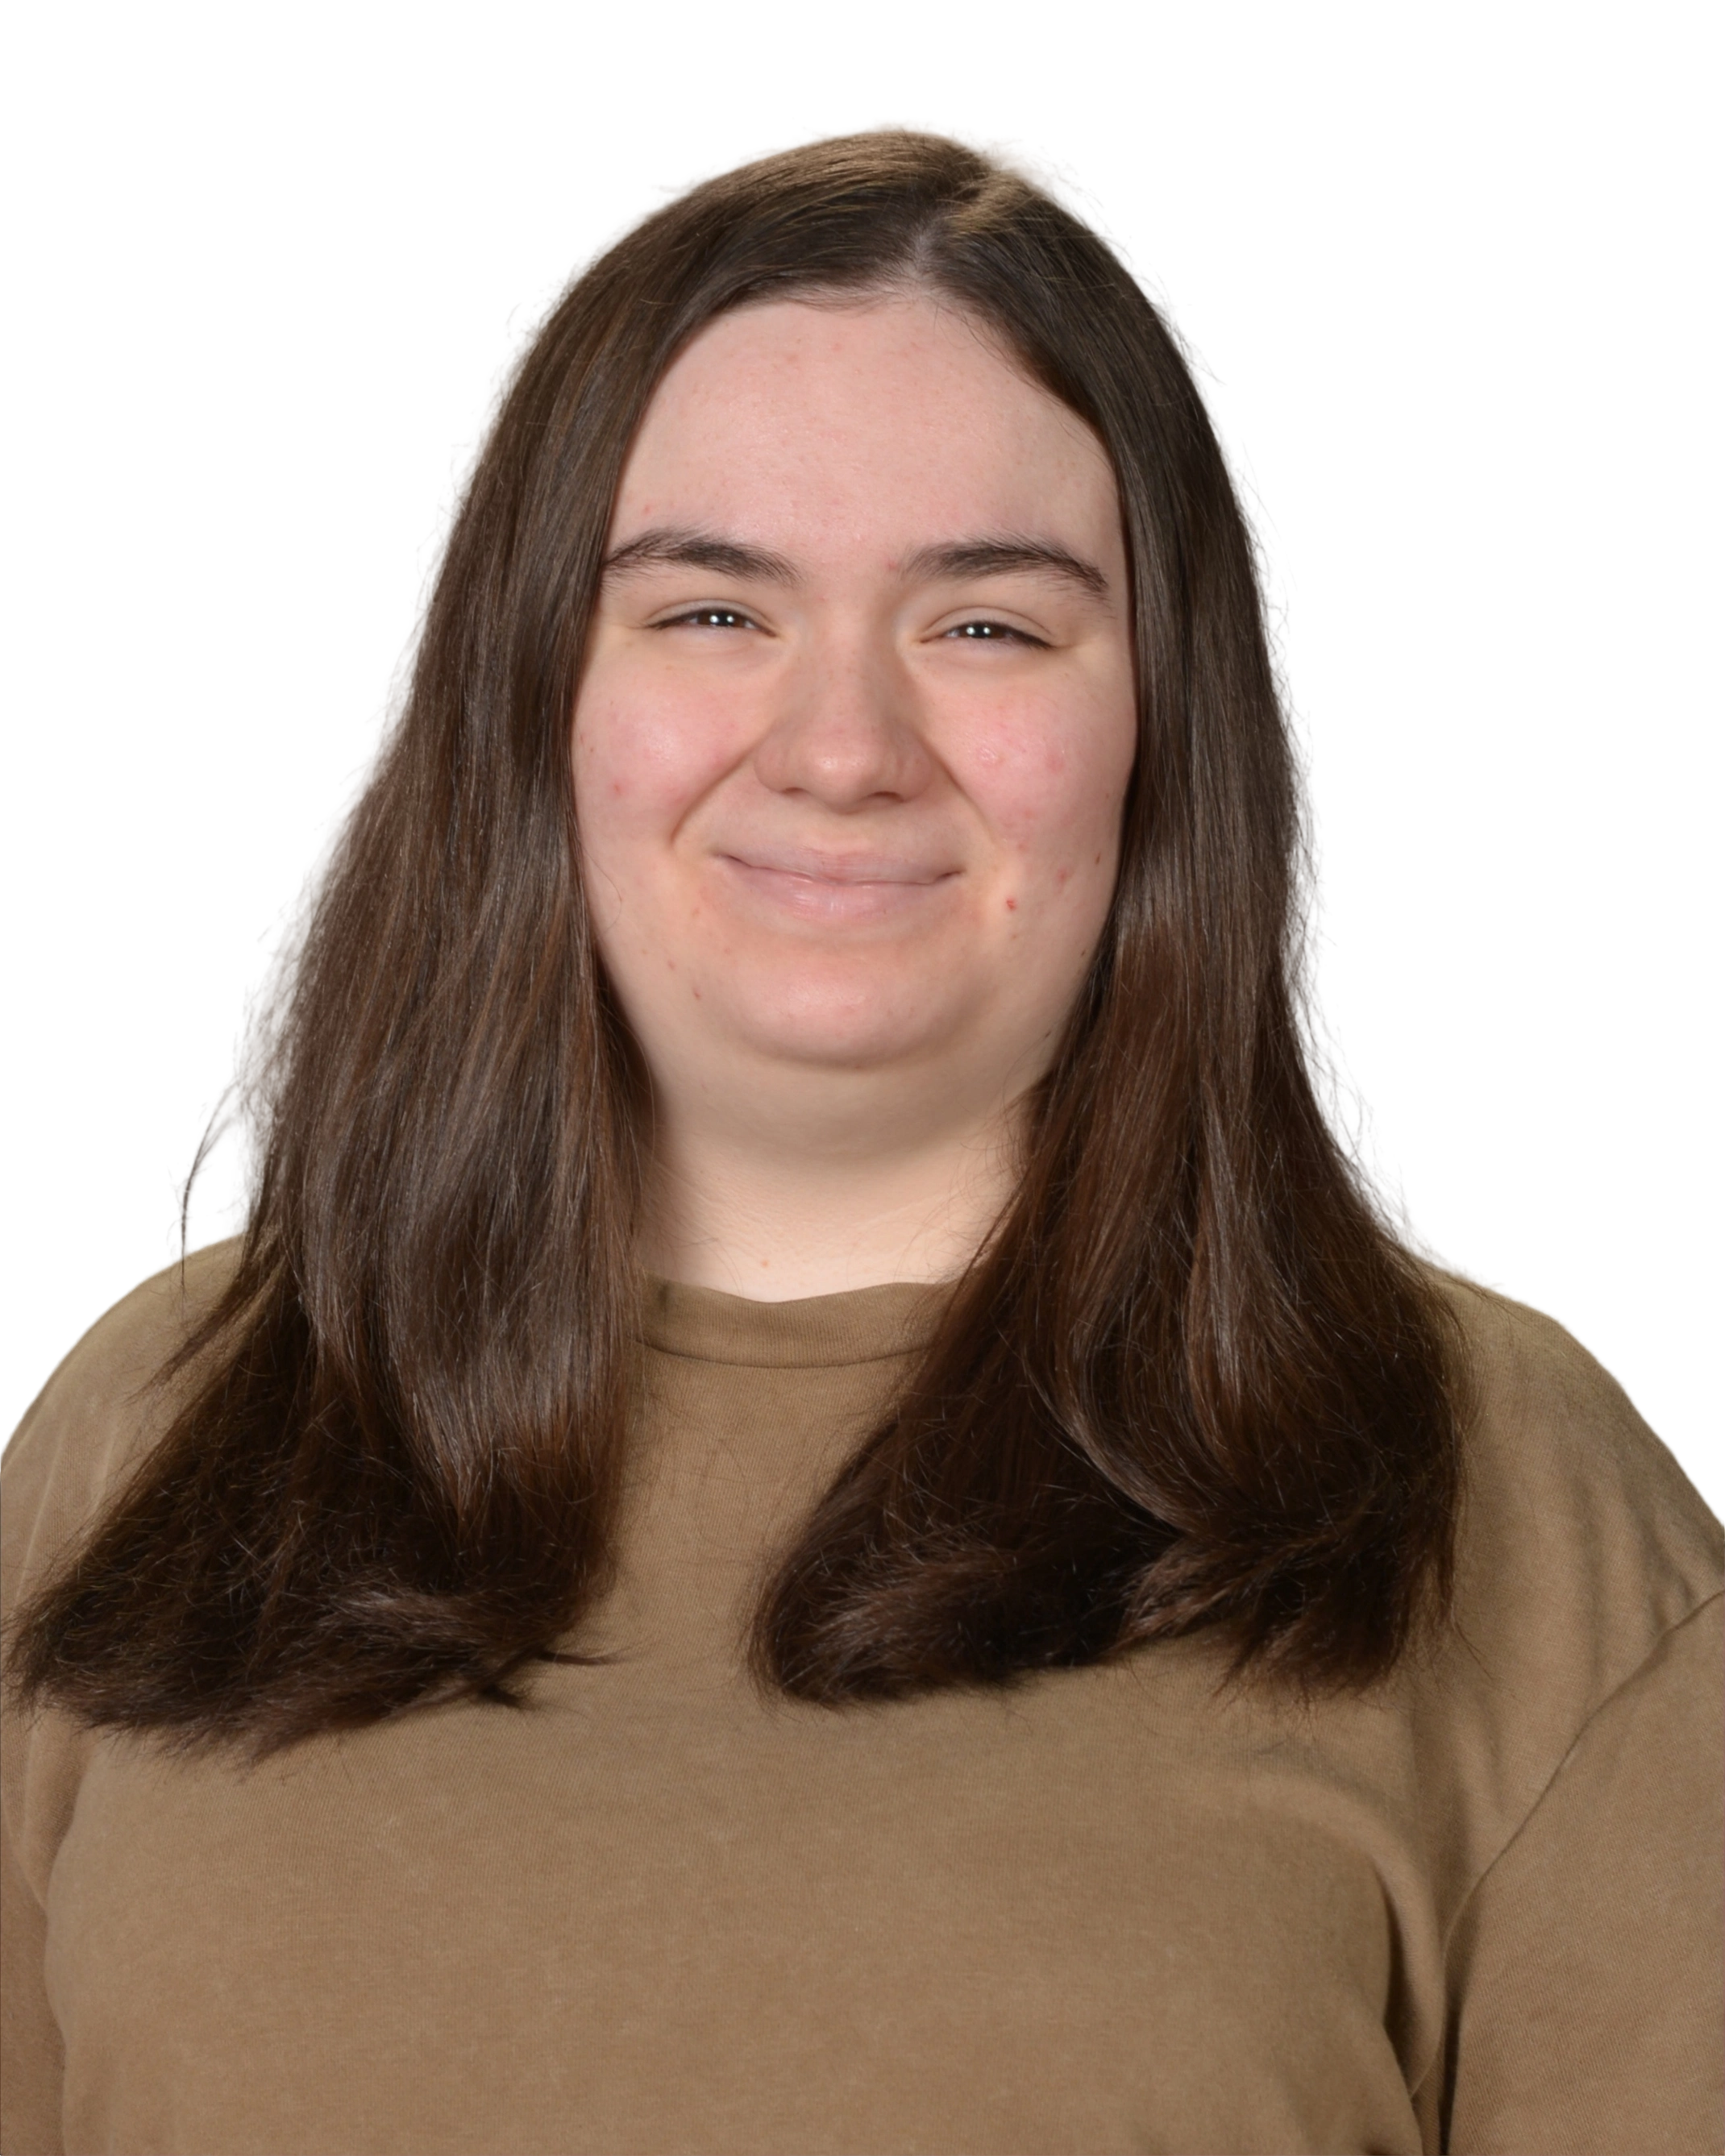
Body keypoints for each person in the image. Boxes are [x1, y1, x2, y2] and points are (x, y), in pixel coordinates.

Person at [2, 118, 1719, 2156]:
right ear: (529, 696)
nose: (839, 749)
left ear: (1162, 726)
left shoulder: (1497, 1492)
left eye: (984, 623)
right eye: (709, 610)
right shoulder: (145, 1436)